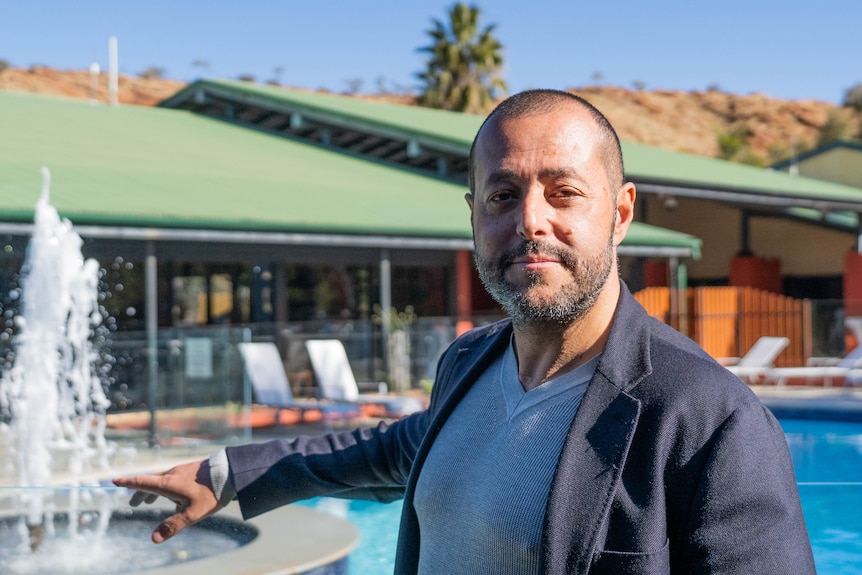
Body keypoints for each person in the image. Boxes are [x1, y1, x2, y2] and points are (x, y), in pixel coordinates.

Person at [114, 89, 816, 574]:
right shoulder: (468, 365)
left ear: (621, 212)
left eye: (564, 191)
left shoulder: (707, 418)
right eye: (503, 195)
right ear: (474, 213)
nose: (531, 221)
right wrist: (228, 473)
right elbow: (387, 450)